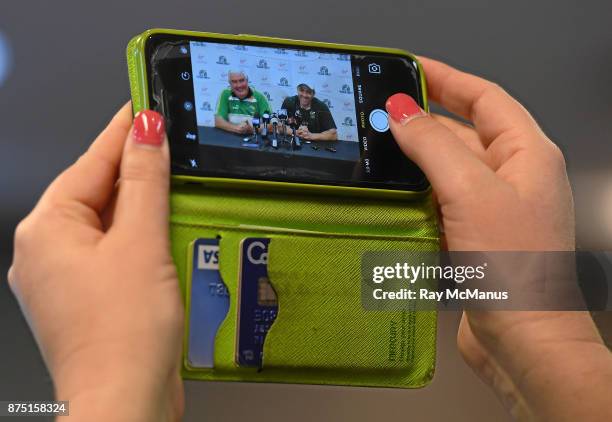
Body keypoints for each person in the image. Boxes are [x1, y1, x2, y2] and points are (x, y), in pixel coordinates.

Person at [7, 57, 612, 421]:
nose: (295, 96)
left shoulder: (316, 107)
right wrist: (541, 332)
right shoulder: (253, 102)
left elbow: (309, 137)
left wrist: (103, 386)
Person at [214, 70, 271, 135]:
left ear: (247, 81)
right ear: (230, 84)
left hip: (253, 137)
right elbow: (218, 121)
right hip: (229, 138)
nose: (239, 85)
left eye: (241, 80)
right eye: (234, 82)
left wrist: (252, 129)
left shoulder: (259, 97)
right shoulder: (225, 94)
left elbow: (270, 124)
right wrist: (237, 129)